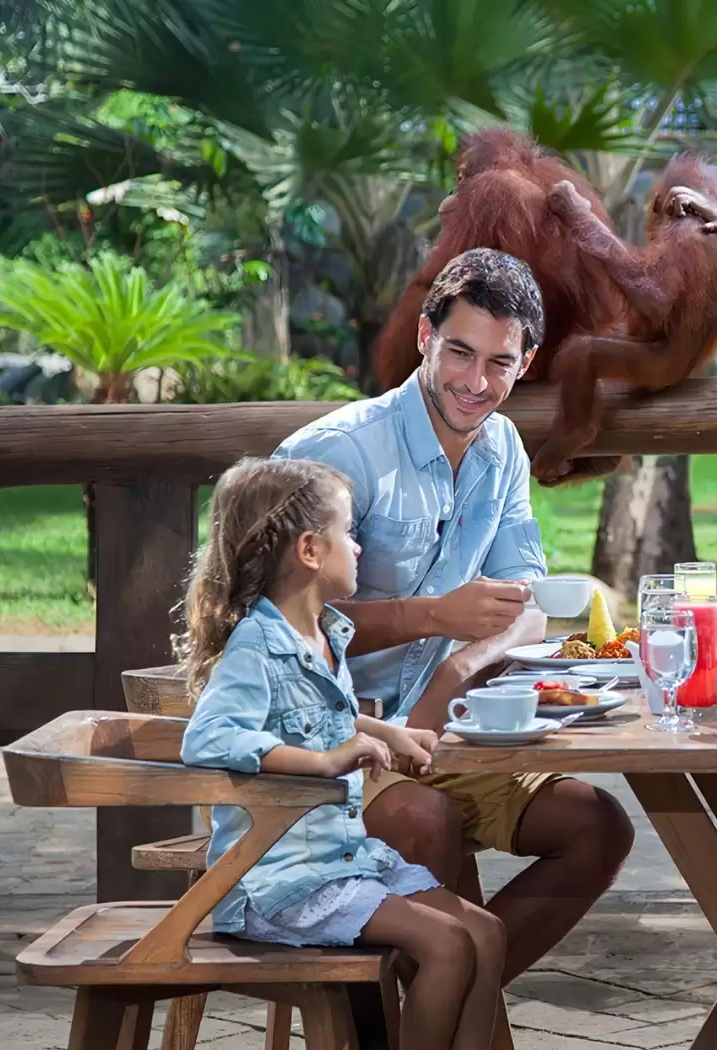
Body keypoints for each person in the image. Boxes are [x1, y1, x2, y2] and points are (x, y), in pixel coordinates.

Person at [273, 247, 634, 984]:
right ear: (424, 339)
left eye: (499, 363)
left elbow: (526, 597)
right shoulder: (338, 455)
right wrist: (433, 616)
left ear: (526, 362)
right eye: (459, 352)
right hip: (326, 745)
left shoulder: (501, 448)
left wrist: (462, 665)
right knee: (425, 823)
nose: (476, 382)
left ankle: (439, 1003)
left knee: (597, 827)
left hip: (446, 734)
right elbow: (275, 624)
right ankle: (449, 1012)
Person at [178, 457, 507, 1050]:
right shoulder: (256, 644)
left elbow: (312, 712)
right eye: (349, 533)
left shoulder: (322, 633)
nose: (358, 547)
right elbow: (208, 738)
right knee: (448, 944)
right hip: (278, 882)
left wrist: (389, 734)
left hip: (341, 859)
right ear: (310, 549)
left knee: (485, 934)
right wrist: (325, 763)